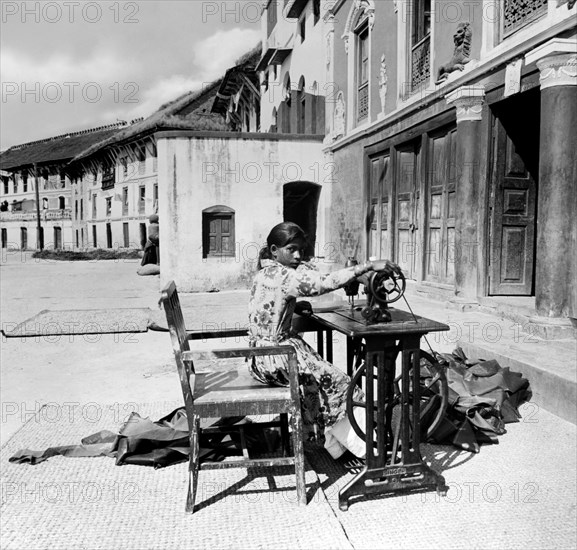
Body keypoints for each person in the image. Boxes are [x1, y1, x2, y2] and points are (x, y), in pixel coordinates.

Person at [248, 222, 401, 459]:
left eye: (301, 249)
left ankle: (338, 445)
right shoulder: (286, 275)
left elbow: (267, 307)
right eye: (292, 249)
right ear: (275, 250)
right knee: (340, 384)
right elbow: (324, 282)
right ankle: (367, 451)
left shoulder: (263, 273)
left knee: (324, 377)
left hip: (260, 359)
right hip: (278, 359)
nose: (298, 255)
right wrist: (366, 267)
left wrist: (293, 305)